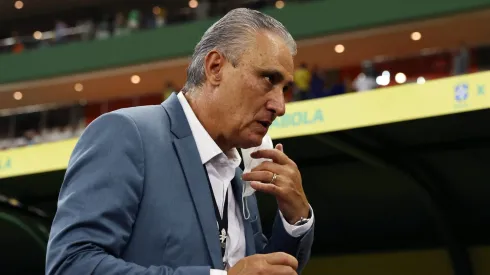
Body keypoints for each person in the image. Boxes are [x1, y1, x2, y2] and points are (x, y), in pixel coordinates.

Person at [46, 8, 314, 275]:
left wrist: (296, 217)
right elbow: (71, 264)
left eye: (285, 89)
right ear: (215, 67)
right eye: (269, 79)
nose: (280, 106)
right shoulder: (127, 134)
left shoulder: (239, 169)